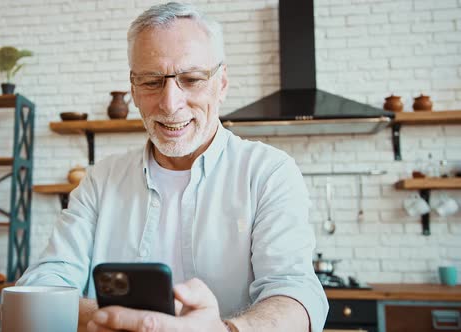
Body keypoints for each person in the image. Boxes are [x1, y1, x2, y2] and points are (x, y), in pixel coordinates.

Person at [17, 2, 328, 331]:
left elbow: (294, 293)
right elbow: (42, 284)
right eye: (152, 82)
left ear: (221, 83)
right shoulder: (100, 180)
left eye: (192, 79)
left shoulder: (268, 172)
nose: (170, 103)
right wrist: (123, 320)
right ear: (133, 90)